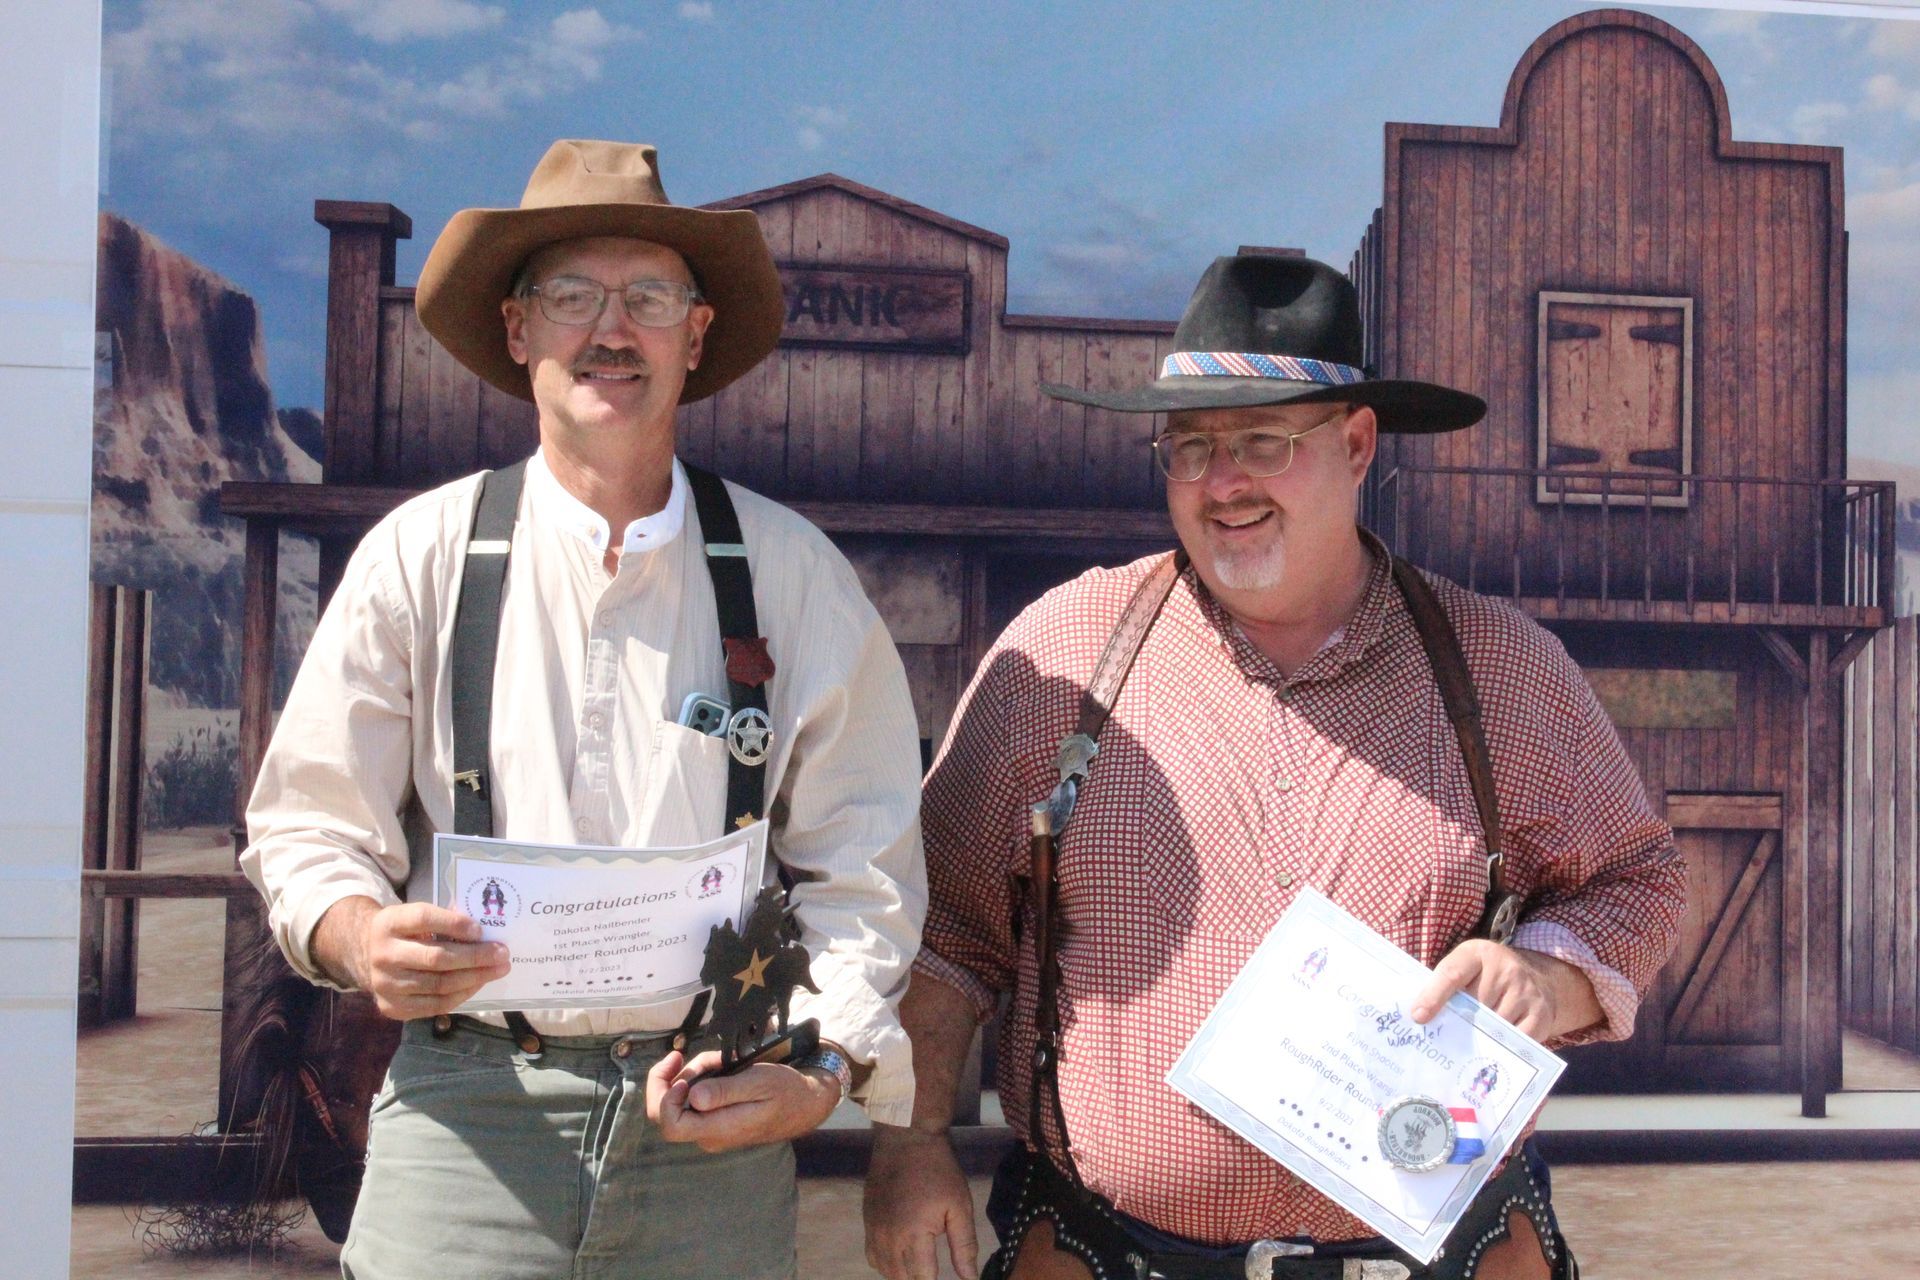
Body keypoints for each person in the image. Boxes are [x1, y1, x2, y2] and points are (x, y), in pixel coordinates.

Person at [864, 254, 1685, 1280]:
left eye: (1263, 440)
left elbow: (1639, 882)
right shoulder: (1063, 654)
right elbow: (943, 929)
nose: (1224, 483)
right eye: (1191, 446)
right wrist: (908, 1142)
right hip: (1107, 1254)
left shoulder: (1501, 668)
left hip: (1443, 1255)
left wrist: (1547, 978)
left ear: (1356, 443)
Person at [242, 139, 925, 1279]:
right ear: (518, 329)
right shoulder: (420, 556)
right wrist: (358, 935)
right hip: (467, 1118)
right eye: (572, 296)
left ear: (694, 336)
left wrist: (817, 1063)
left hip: (712, 1121)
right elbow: (307, 826)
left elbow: (867, 871)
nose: (611, 331)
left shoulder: (794, 575)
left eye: (648, 297)